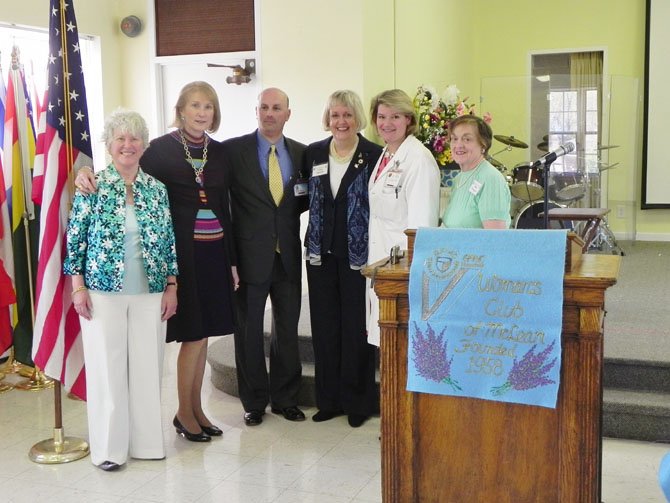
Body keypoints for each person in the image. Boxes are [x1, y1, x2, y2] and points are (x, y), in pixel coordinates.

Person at [75, 81, 238, 443]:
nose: (201, 112)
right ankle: (184, 413)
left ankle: (197, 410)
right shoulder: (159, 150)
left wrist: (232, 261)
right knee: (192, 334)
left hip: (215, 252)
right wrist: (83, 173)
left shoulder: (221, 152)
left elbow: (226, 204)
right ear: (180, 110)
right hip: (182, 255)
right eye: (195, 105)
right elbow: (121, 164)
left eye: (208, 106)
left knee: (205, 334)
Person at [65, 110, 178, 471]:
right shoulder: (92, 184)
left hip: (150, 291)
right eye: (120, 138)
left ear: (144, 145)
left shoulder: (156, 189)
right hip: (101, 293)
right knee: (107, 372)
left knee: (148, 369)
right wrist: (77, 287)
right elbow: (75, 240)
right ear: (109, 144)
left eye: (134, 138)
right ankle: (110, 451)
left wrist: (172, 286)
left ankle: (146, 445)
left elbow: (168, 241)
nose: (127, 145)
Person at [222, 88, 308, 426]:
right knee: (249, 332)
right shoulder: (232, 151)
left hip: (286, 255)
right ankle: (254, 402)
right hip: (248, 259)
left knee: (287, 331)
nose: (269, 113)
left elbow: (303, 202)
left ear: (288, 113)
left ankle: (286, 399)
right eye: (264, 107)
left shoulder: (303, 154)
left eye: (277, 108)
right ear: (255, 111)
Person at [304, 90, 382, 427]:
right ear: (328, 119)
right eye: (335, 115)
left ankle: (358, 403)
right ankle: (329, 400)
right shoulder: (314, 153)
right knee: (324, 327)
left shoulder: (374, 154)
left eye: (347, 115)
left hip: (358, 254)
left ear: (358, 118)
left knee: (356, 329)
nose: (341, 121)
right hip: (320, 253)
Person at [367, 89, 441, 347]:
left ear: (409, 119)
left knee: (401, 344)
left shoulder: (418, 158)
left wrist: (407, 271)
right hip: (381, 259)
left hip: (402, 268)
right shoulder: (387, 154)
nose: (387, 123)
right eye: (382, 116)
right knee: (387, 342)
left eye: (395, 116)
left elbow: (422, 226)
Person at [441, 114, 511, 229]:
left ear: (483, 144)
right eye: (454, 139)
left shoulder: (490, 179)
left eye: (467, 139)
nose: (458, 145)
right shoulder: (458, 178)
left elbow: (495, 239)